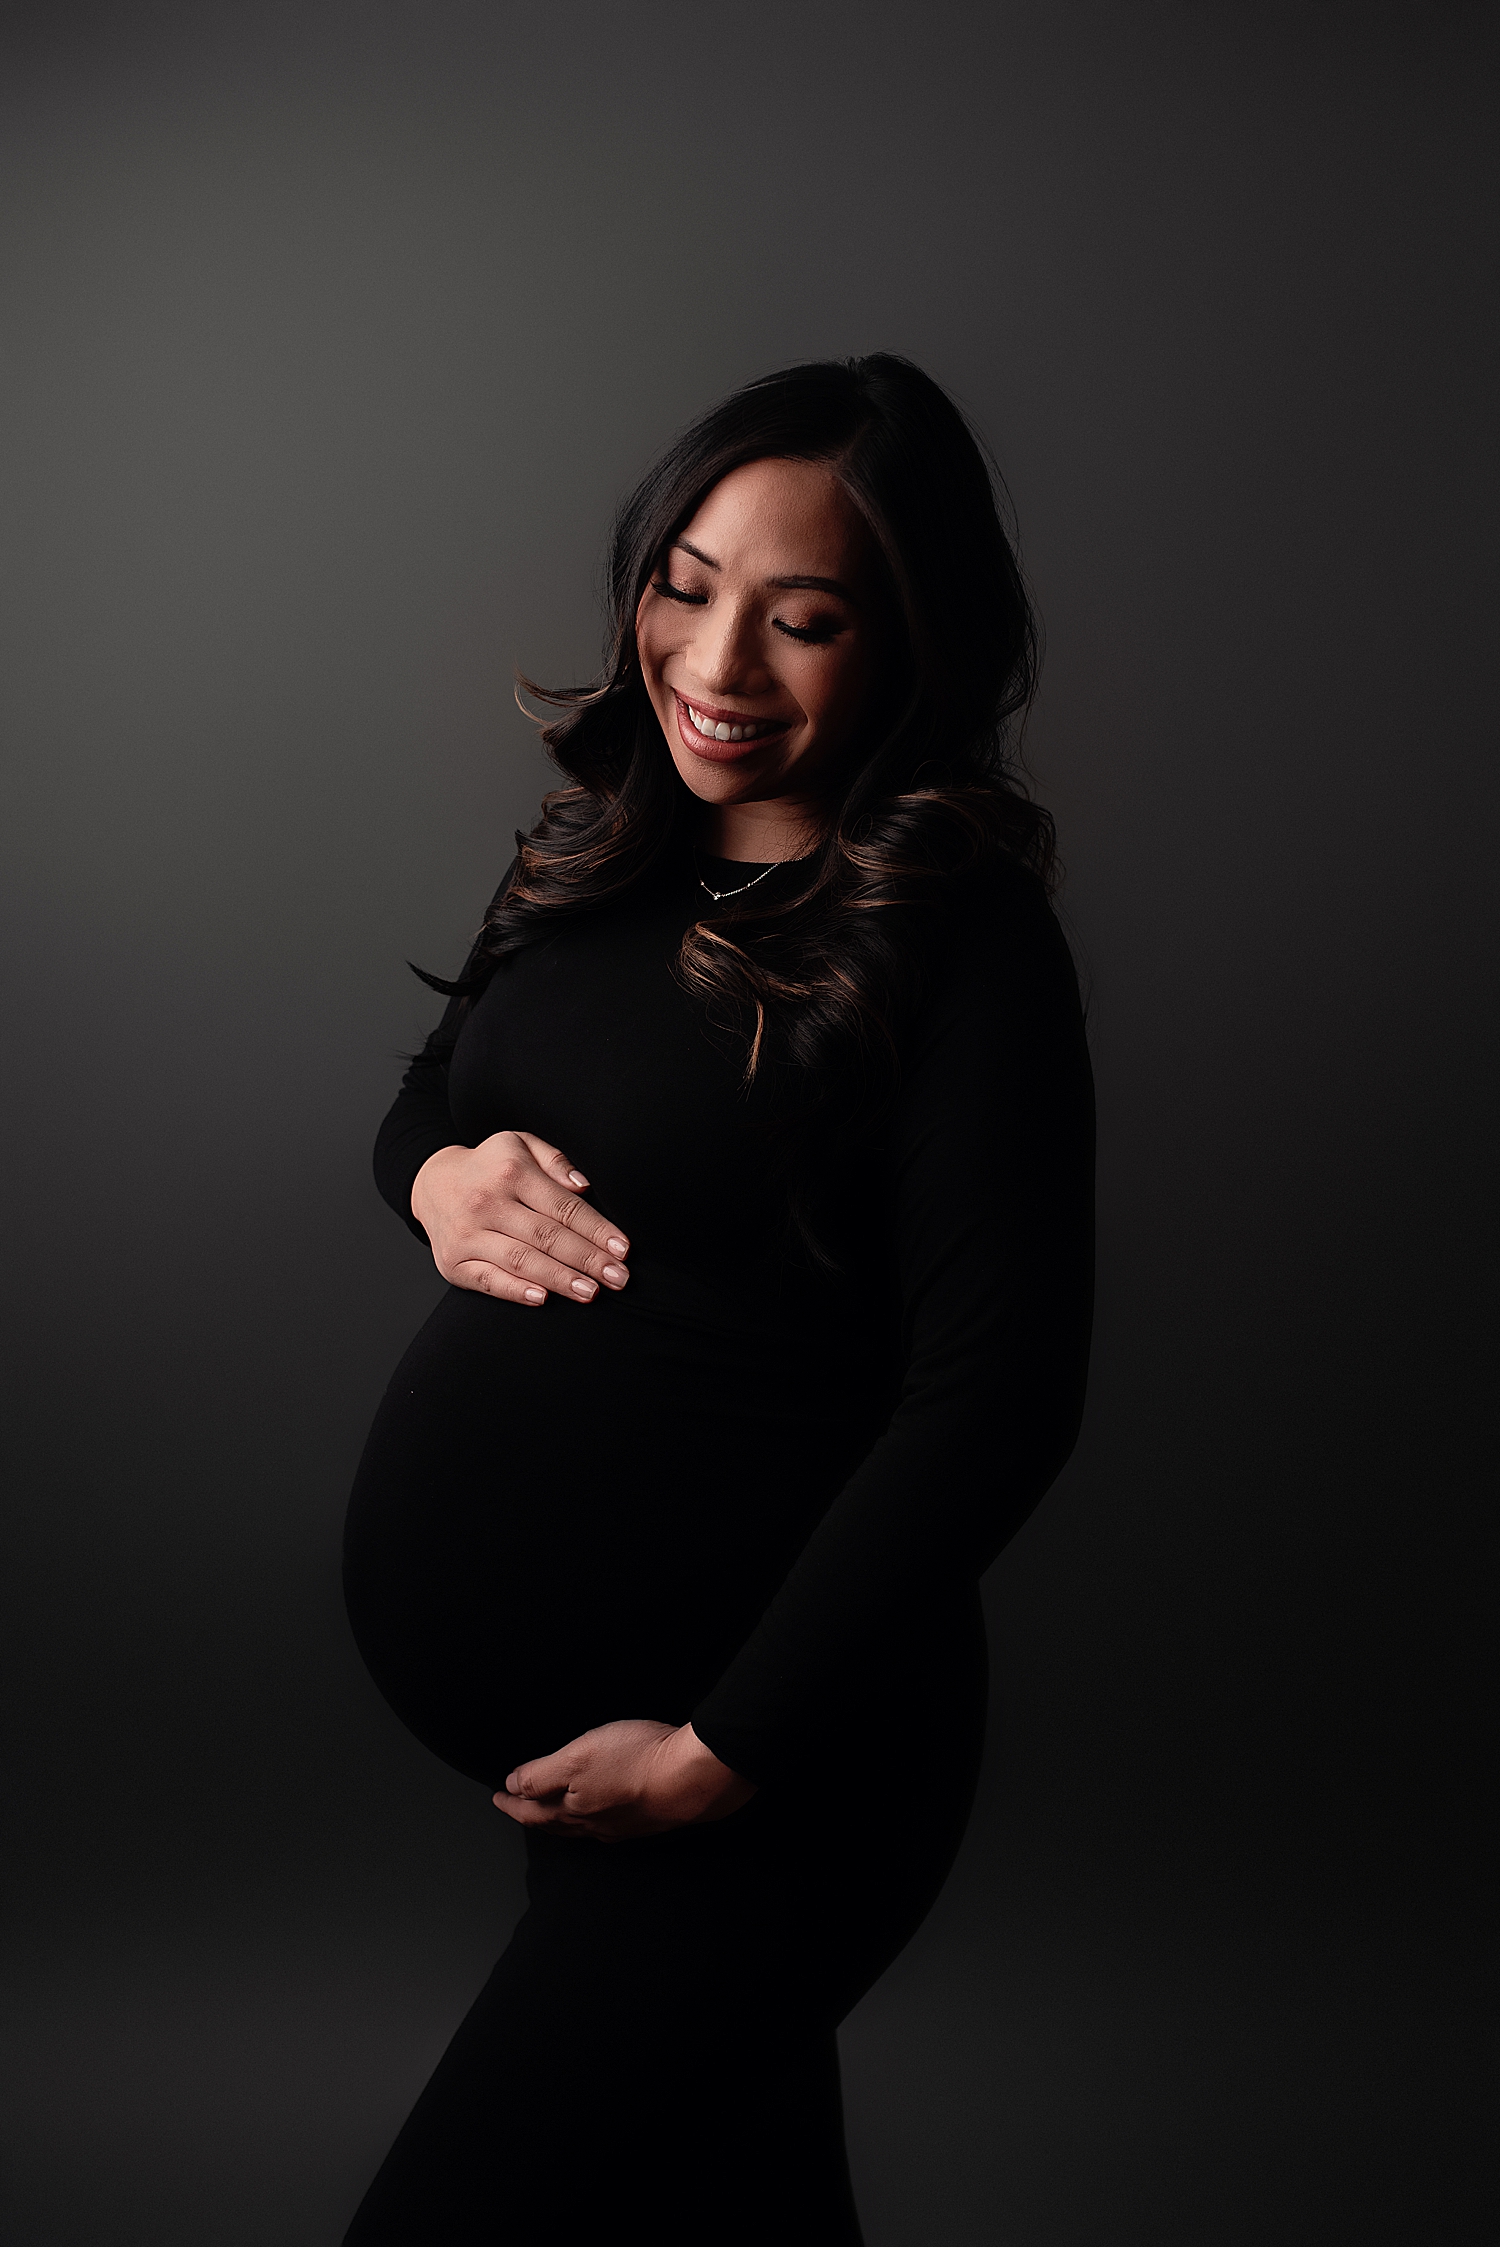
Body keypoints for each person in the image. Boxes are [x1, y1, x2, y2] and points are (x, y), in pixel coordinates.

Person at [340, 353, 1094, 2243]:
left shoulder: (963, 945)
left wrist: (722, 1754)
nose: (722, 663)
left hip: (772, 1783)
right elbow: (436, 1096)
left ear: (912, 642)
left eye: (806, 618)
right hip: (601, 1775)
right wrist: (436, 1180)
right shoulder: (611, 835)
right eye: (687, 585)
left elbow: (998, 1398)